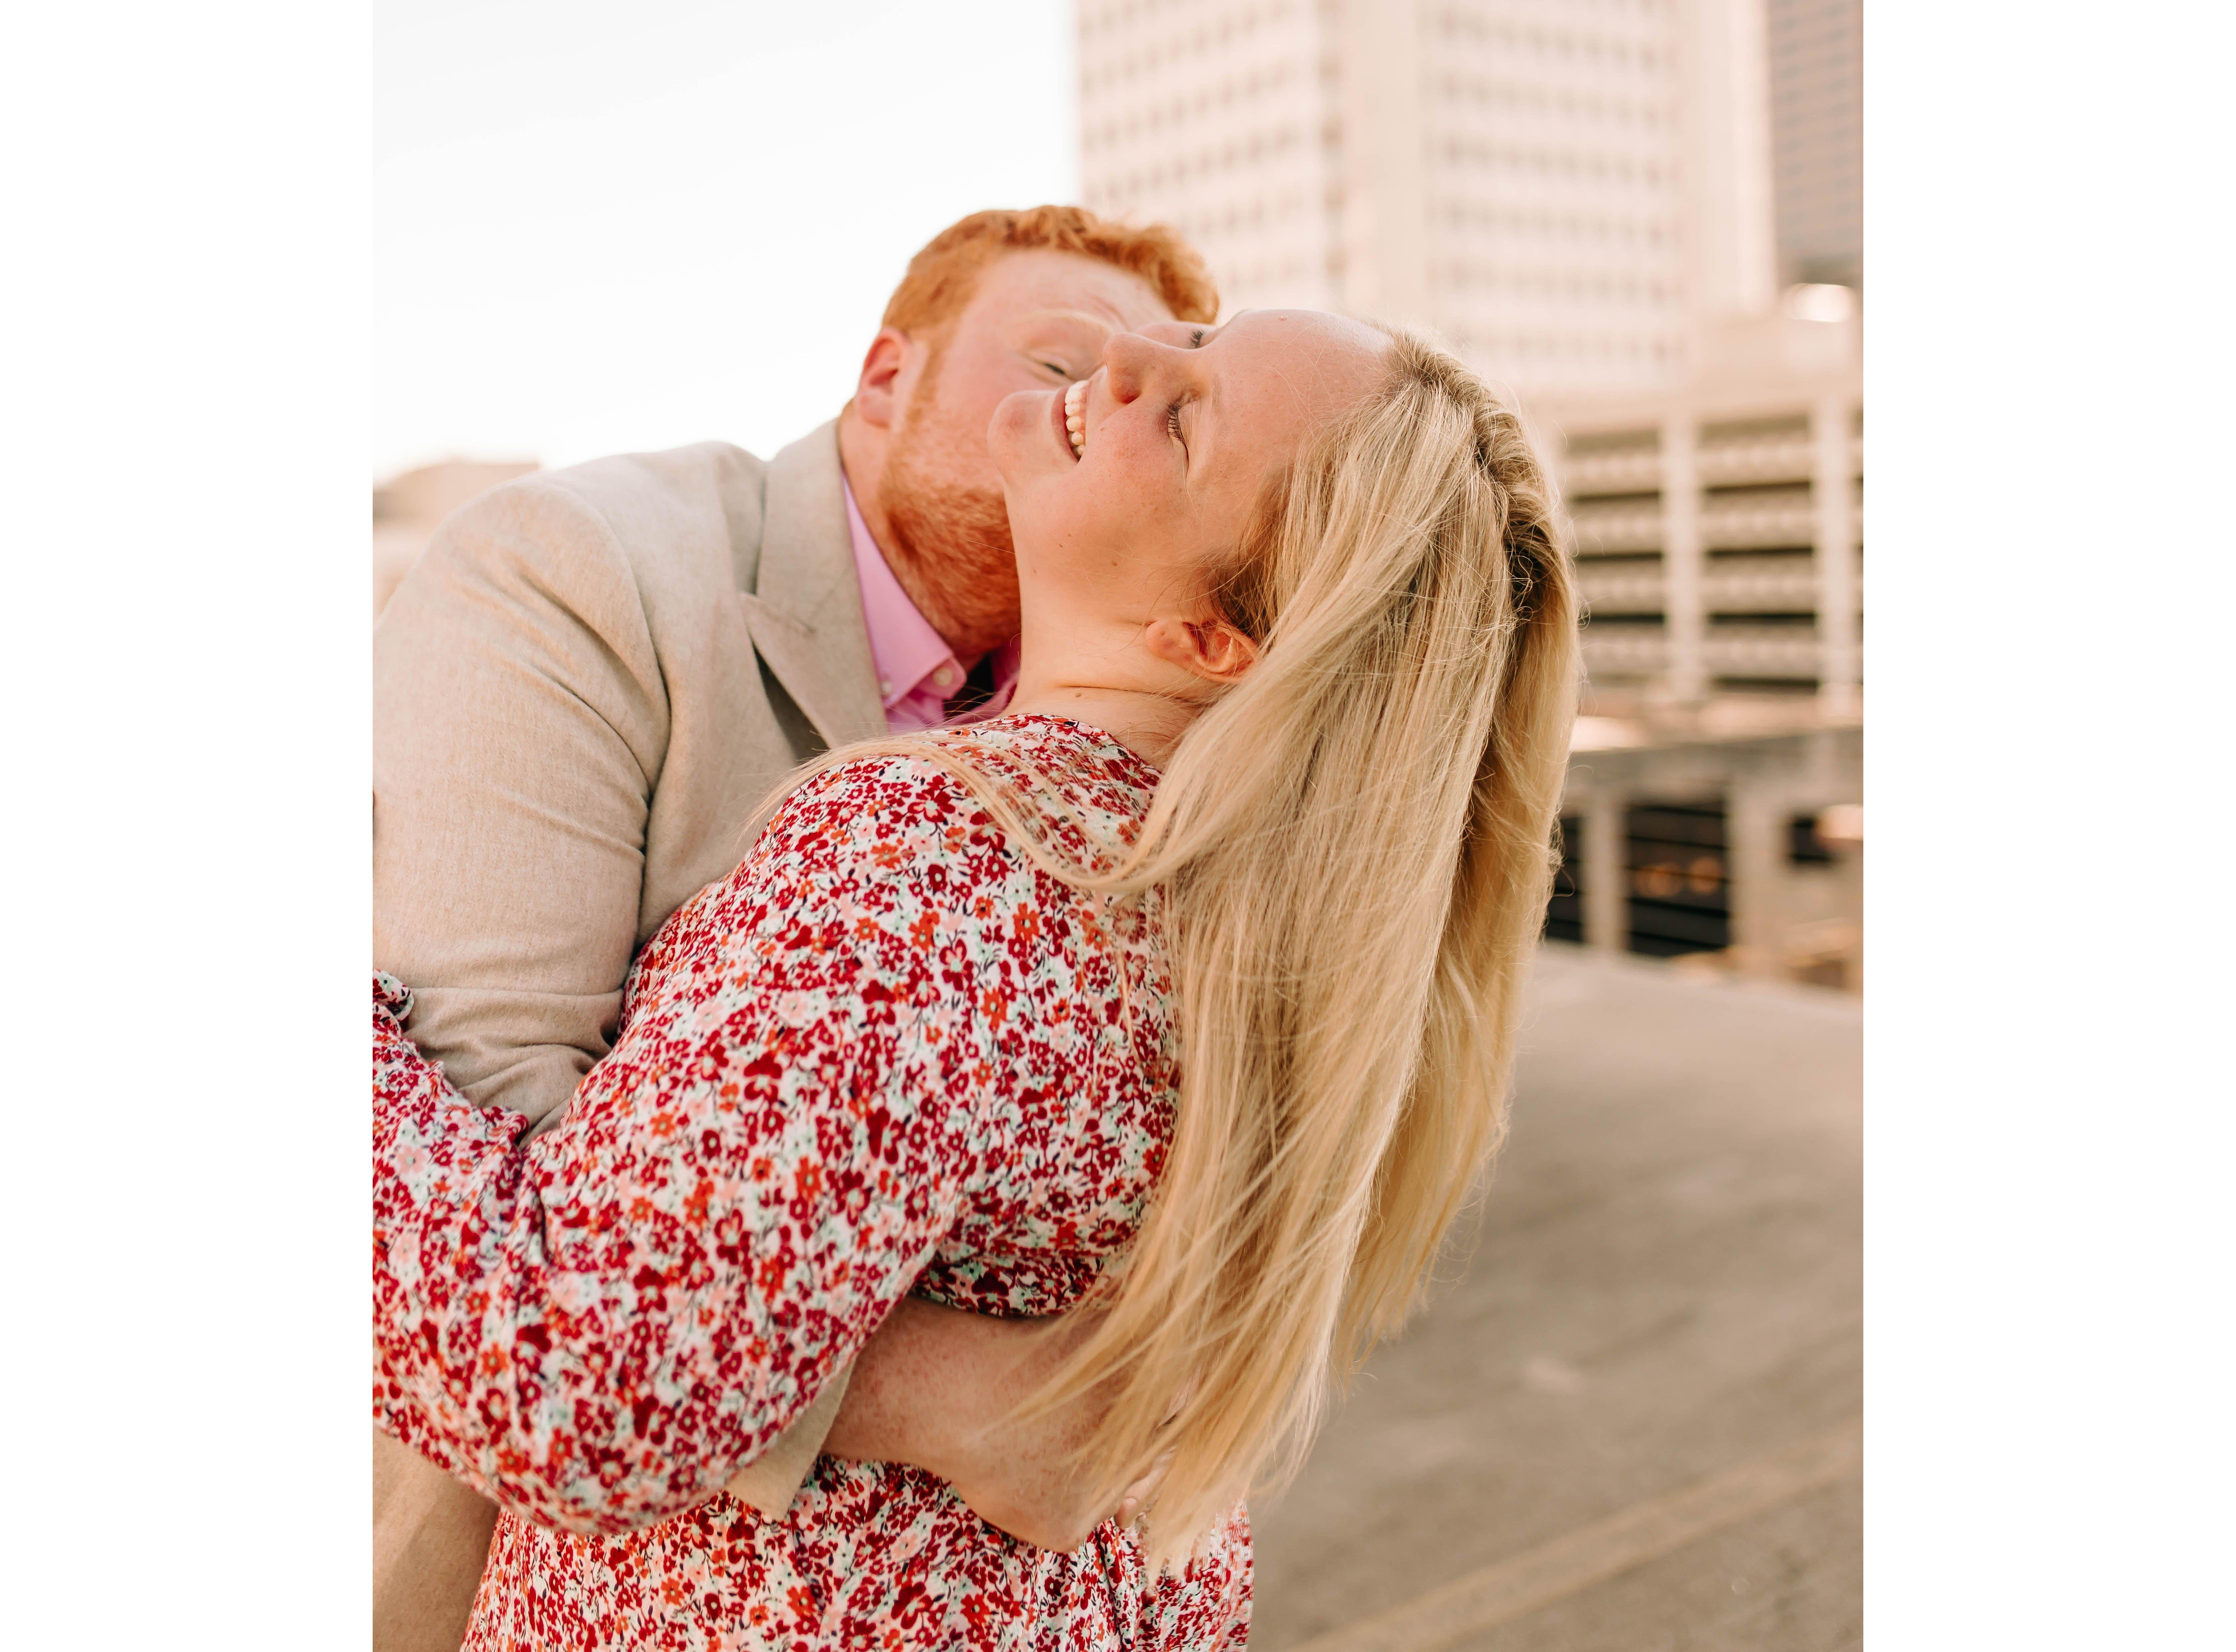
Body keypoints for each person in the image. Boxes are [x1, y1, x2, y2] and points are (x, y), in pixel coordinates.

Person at [374, 310, 1581, 1648]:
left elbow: (579, 1382)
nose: (1121, 360)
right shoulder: (1268, 936)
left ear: (1209, 637)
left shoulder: (934, 862)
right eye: (1192, 338)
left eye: (1184, 418)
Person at [373, 206, 1219, 1651]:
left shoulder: (1149, 703)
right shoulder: (578, 566)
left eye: (1165, 400)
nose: (1101, 404)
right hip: (552, 1553)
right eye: (1063, 358)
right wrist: (940, 1392)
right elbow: (485, 1105)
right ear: (887, 377)